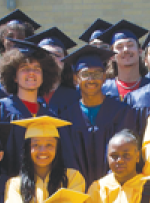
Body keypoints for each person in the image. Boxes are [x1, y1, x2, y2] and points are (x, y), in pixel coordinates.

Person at [0, 40, 71, 176]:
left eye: (37, 69)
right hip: (7, 188)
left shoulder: (50, 116)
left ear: (44, 76)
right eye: (25, 69)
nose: (31, 73)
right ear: (14, 76)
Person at [58, 44, 139, 186]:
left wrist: (105, 187)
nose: (91, 79)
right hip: (77, 189)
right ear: (76, 78)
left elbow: (125, 153)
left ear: (103, 77)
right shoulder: (67, 118)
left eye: (96, 74)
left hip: (115, 189)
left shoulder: (122, 112)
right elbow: (68, 159)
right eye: (85, 74)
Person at [2, 116, 86, 203]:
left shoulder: (72, 178)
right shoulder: (15, 184)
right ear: (28, 149)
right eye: (36, 145)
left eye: (49, 145)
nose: (43, 151)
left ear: (57, 148)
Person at [98, 21, 149, 101]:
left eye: (130, 45)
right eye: (119, 47)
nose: (125, 50)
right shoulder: (103, 89)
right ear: (112, 56)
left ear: (140, 51)